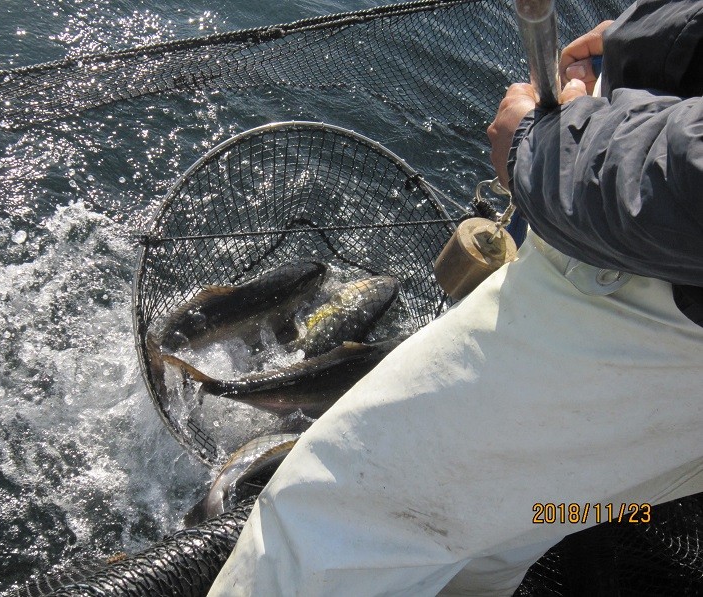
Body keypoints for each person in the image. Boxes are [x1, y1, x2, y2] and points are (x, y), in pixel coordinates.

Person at [208, 1, 703, 594]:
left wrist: (543, 149)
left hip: (646, 293)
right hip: (668, 383)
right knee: (528, 520)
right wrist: (654, 47)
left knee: (325, 526)